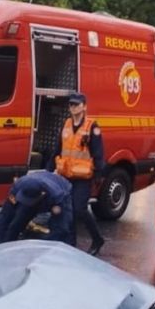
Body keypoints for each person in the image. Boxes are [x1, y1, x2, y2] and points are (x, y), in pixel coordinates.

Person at [50, 92, 106, 256]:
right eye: (71, 105)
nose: (73, 107)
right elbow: (57, 149)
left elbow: (98, 153)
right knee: (68, 210)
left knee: (79, 209)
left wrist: (98, 175)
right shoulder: (66, 124)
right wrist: (48, 171)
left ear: (84, 107)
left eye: (76, 104)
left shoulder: (91, 127)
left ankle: (97, 239)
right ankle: (71, 244)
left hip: (83, 177)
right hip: (66, 175)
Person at [0, 171, 74, 245]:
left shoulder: (57, 194)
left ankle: (55, 251)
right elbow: (5, 216)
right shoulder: (16, 188)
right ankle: (7, 245)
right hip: (39, 186)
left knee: (62, 229)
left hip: (61, 192)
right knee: (17, 222)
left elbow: (61, 226)